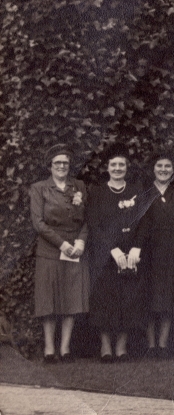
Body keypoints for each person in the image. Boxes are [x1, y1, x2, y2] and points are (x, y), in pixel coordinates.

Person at [30, 144, 90, 363]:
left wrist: (81, 242)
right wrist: (62, 244)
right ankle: (48, 349)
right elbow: (38, 223)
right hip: (50, 250)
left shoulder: (79, 186)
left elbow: (86, 220)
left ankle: (65, 349)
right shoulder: (39, 188)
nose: (62, 166)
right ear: (50, 166)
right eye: (58, 163)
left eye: (65, 163)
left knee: (71, 300)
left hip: (75, 250)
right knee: (49, 301)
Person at [87, 144, 144, 362]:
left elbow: (143, 221)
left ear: (127, 168)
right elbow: (94, 224)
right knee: (104, 299)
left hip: (131, 256)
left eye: (121, 164)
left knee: (127, 300)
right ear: (107, 167)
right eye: (114, 164)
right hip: (105, 256)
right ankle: (105, 346)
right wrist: (112, 249)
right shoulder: (98, 193)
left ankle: (121, 345)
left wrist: (136, 247)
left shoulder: (136, 191)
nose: (118, 168)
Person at [134, 151, 174, 359]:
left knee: (169, 297)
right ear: (153, 170)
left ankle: (163, 345)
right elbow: (138, 224)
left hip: (173, 249)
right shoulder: (145, 194)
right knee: (149, 296)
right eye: (159, 166)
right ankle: (151, 345)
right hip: (149, 251)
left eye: (167, 166)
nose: (164, 170)